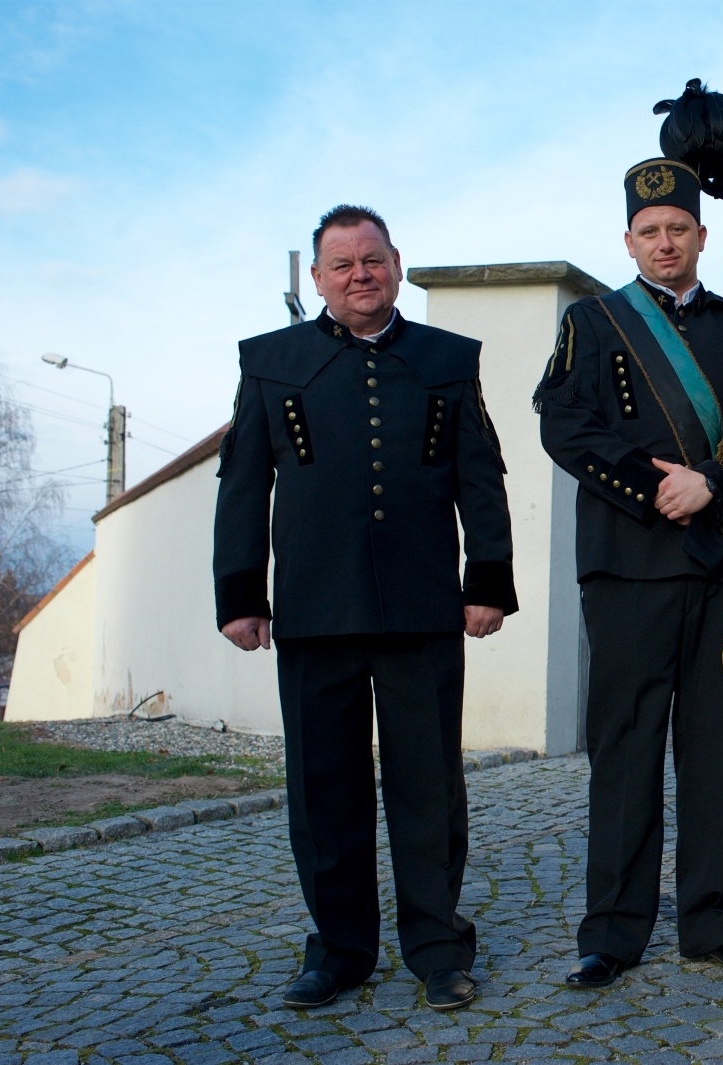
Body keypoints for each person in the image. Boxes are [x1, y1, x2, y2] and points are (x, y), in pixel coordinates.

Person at [213, 204, 518, 1012]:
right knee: (324, 792)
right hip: (313, 611)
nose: (360, 275)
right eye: (343, 264)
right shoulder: (271, 362)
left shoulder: (448, 359)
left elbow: (480, 476)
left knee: (429, 789)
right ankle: (340, 951)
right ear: (317, 277)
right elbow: (242, 484)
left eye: (373, 260)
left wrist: (487, 582)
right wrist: (241, 596)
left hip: (423, 608)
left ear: (397, 264)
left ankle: (438, 948)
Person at [534, 158, 723, 990]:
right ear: (628, 240)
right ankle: (611, 933)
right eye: (649, 232)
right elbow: (565, 426)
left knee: (714, 755)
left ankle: (714, 923)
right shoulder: (594, 323)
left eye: (678, 228)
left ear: (701, 235)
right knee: (626, 750)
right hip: (626, 566)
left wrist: (710, 482)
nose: (665, 243)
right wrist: (656, 490)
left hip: (717, 567)